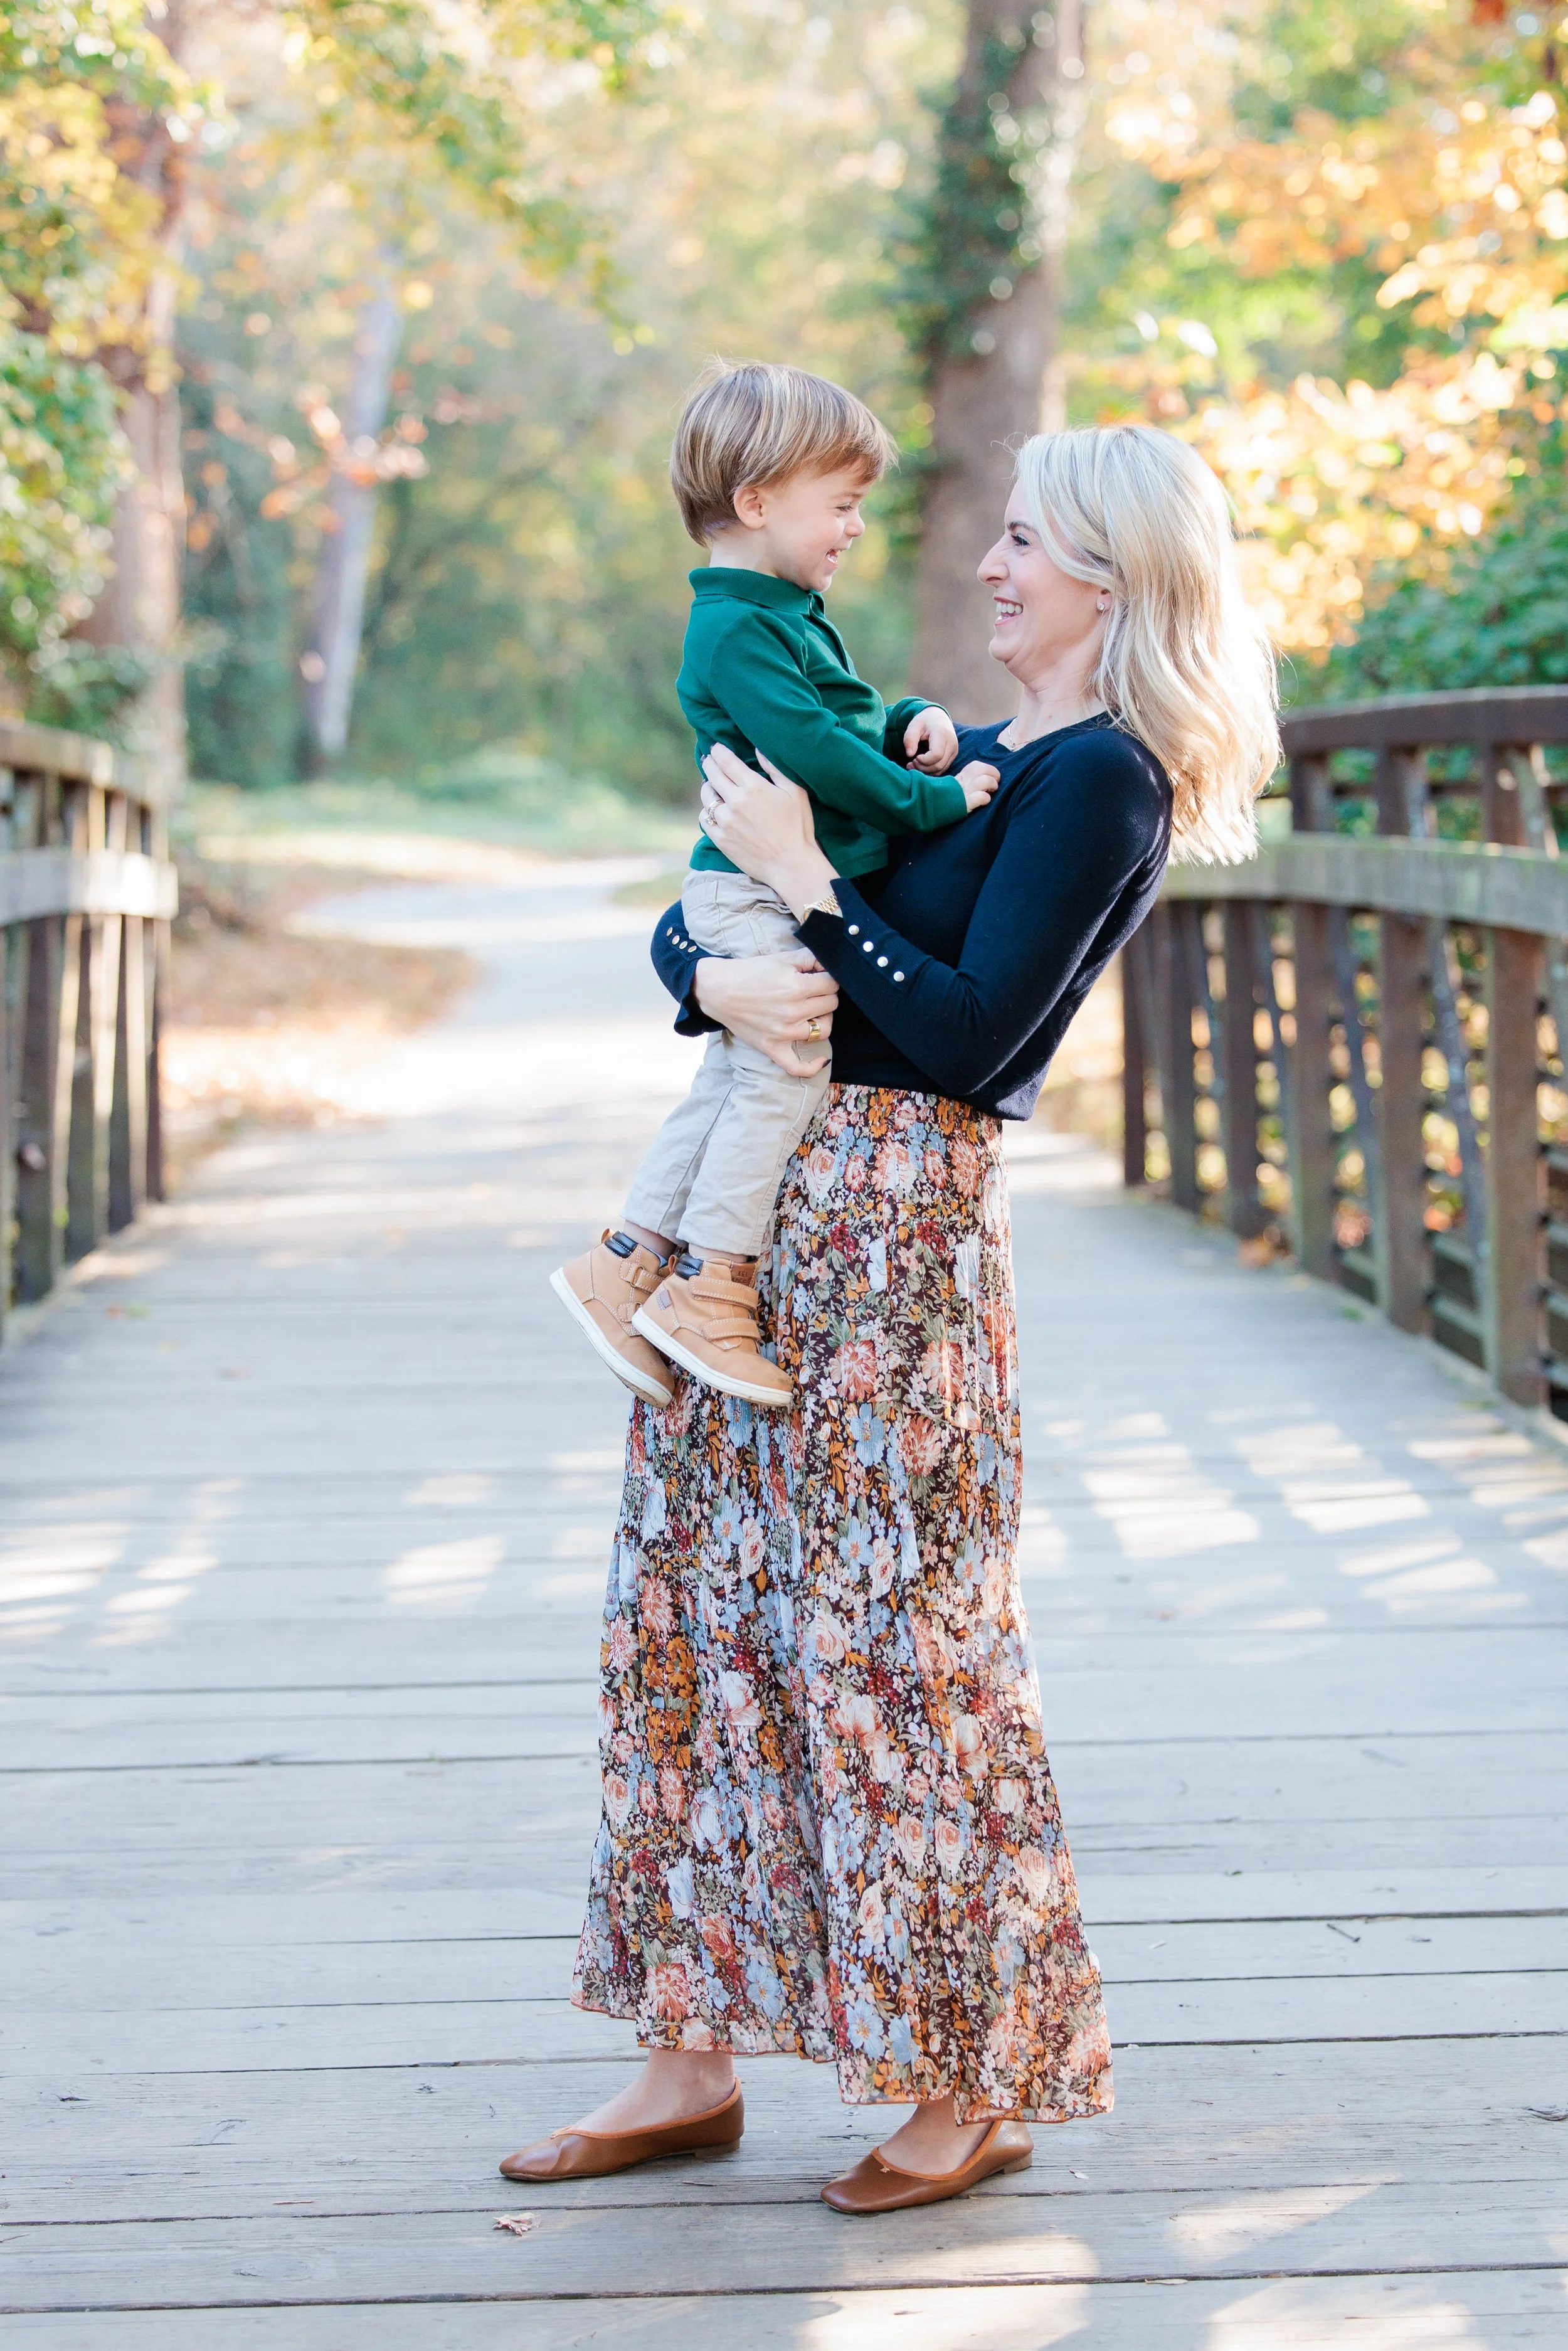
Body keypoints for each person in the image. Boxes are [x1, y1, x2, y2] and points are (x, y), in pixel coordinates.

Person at [502, 423, 1278, 2214]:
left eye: (1023, 542)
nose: (987, 567)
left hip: (896, 1244)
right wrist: (714, 959)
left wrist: (811, 888)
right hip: (746, 1232)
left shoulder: (1101, 781)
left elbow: (969, 1033)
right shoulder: (960, 755)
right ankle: (685, 2054)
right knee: (690, 1620)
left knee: (900, 1653)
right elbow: (695, 911)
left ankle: (971, 2076)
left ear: (1112, 576)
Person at [551, 361, 999, 1413]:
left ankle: (624, 1264)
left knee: (730, 1080)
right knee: (784, 1072)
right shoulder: (739, 629)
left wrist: (911, 720)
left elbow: (842, 718)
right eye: (840, 504)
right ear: (756, 503)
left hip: (748, 886)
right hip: (751, 890)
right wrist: (936, 800)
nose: (856, 527)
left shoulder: (777, 614)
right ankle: (711, 1285)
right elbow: (814, 749)